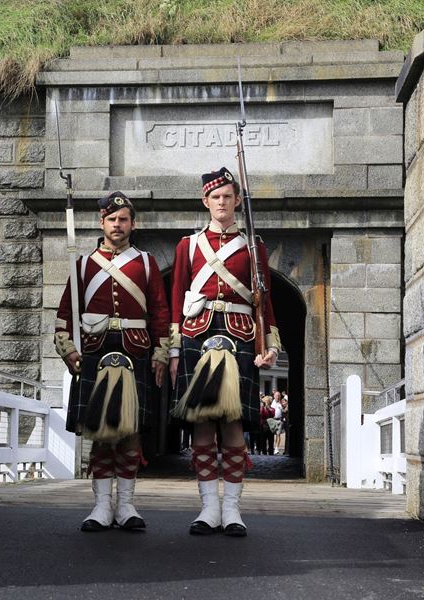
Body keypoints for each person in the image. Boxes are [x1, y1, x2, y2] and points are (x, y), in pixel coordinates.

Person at [169, 167, 280, 537]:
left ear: (236, 201)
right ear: (206, 201)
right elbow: (176, 299)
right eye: (215, 197)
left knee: (233, 425)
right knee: (202, 423)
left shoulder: (254, 246)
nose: (221, 202)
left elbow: (265, 302)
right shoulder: (187, 246)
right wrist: (171, 350)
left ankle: (232, 509)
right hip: (197, 336)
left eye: (227, 197)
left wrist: (270, 344)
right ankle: (208, 508)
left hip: (240, 335)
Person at [55, 192, 170, 531]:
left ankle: (126, 505)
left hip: (135, 352)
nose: (117, 225)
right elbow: (65, 316)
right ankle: (102, 506)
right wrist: (70, 351)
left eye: (123, 219)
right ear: (101, 223)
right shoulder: (83, 265)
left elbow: (160, 313)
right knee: (100, 433)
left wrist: (161, 353)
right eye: (112, 220)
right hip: (94, 352)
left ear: (133, 224)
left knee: (131, 432)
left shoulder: (147, 263)